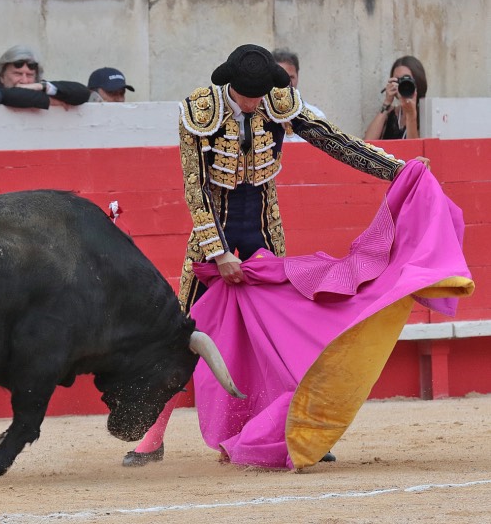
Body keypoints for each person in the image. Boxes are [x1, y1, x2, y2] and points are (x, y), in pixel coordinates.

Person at [121, 43, 426, 468]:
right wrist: (219, 252)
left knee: (278, 334)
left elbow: (331, 139)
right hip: (214, 231)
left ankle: (291, 430)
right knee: (184, 329)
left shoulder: (277, 100)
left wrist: (395, 169)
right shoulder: (198, 110)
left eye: (261, 96)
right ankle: (153, 437)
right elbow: (195, 187)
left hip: (264, 228)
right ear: (230, 85)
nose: (255, 103)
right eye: (248, 97)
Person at [0, 45, 91, 109]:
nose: (24, 80)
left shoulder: (38, 87)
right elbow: (15, 95)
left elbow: (83, 93)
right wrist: (47, 100)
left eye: (30, 75)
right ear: (2, 76)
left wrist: (42, 86)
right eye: (17, 74)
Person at [364, 55, 427, 141]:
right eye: (398, 80)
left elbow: (414, 148)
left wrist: (411, 114)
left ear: (418, 82)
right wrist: (386, 103)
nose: (404, 85)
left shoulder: (426, 115)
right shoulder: (390, 113)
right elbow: (368, 142)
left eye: (407, 79)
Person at [272, 48, 325, 142]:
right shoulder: (257, 116)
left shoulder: (316, 116)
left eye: (291, 77)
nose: (286, 82)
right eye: (280, 77)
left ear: (297, 77)